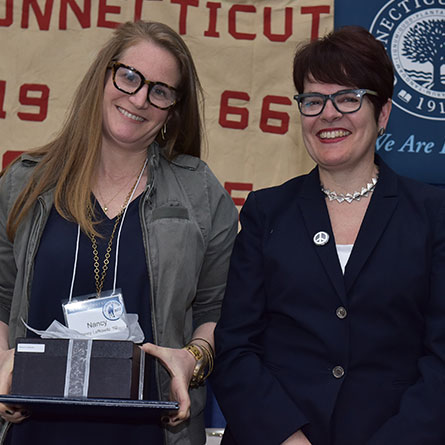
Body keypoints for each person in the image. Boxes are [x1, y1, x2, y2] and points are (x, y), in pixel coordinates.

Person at [0, 20, 238, 445]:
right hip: (32, 428)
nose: (139, 98)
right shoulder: (24, 182)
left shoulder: (200, 193)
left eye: (160, 91)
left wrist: (192, 359)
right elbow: (1, 295)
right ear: (103, 76)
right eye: (129, 76)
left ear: (172, 110)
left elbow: (218, 310)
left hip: (152, 432)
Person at [211, 26, 445, 445]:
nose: (328, 114)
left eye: (348, 98)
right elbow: (235, 349)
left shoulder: (433, 215)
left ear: (383, 113)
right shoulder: (267, 212)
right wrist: (287, 438)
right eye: (314, 100)